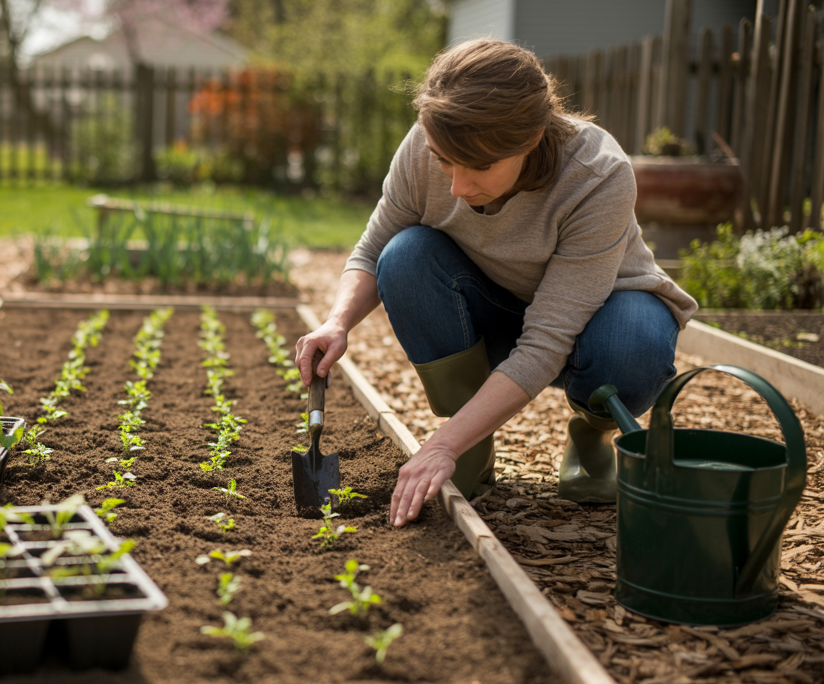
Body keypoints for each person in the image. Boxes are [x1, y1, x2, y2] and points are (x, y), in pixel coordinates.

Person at [294, 38, 697, 528]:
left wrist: (438, 446)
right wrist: (337, 323)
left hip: (598, 317)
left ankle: (592, 435)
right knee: (403, 256)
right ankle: (472, 439)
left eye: (480, 166)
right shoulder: (426, 142)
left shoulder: (596, 176)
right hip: (493, 302)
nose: (456, 188)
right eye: (444, 161)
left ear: (529, 141)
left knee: (631, 344)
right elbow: (373, 249)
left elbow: (548, 338)